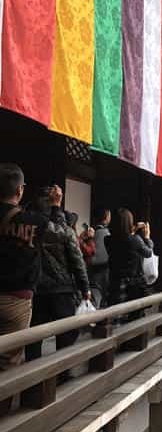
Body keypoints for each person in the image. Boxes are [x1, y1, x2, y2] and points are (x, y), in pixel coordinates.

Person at [0, 166, 66, 413]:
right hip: (17, 302)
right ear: (19, 190)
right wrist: (56, 206)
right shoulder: (34, 222)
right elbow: (60, 236)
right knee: (8, 363)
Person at [26, 188, 90, 362]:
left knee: (33, 339)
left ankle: (33, 380)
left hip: (35, 289)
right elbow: (77, 262)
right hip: (61, 289)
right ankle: (63, 375)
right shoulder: (64, 231)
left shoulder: (27, 229)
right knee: (66, 336)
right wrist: (85, 288)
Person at [106, 208, 153, 318]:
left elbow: (123, 237)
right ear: (129, 222)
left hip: (115, 282)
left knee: (116, 315)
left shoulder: (107, 240)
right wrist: (147, 237)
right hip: (132, 284)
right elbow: (148, 252)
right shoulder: (135, 239)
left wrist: (133, 229)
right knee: (133, 316)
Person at [89, 209, 111, 308]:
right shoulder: (107, 233)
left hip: (92, 268)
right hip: (104, 268)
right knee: (104, 297)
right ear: (107, 218)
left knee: (95, 295)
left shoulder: (91, 231)